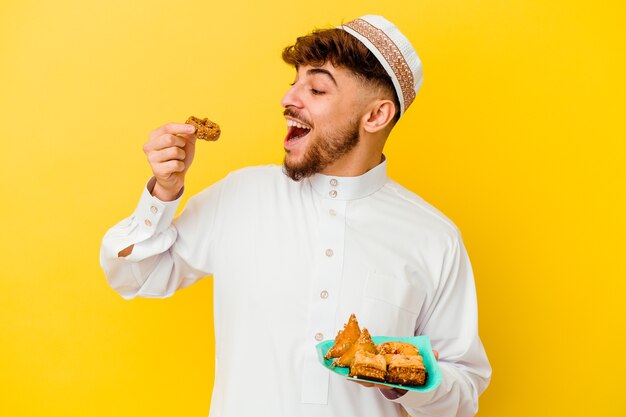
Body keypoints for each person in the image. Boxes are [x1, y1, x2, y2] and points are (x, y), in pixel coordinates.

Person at [100, 15, 491, 417]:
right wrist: (164, 192)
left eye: (317, 88)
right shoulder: (242, 196)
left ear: (375, 116)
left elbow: (463, 394)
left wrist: (405, 381)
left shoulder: (434, 237)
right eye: (295, 83)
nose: (289, 99)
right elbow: (136, 276)